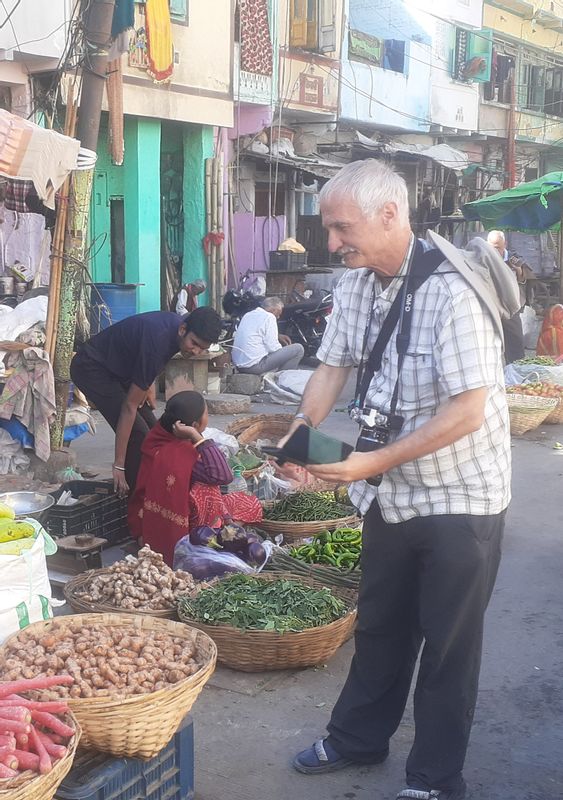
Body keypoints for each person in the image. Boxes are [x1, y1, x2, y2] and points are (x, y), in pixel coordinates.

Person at [282, 160, 510, 800]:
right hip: (390, 493)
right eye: (328, 229)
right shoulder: (356, 284)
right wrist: (299, 434)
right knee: (381, 625)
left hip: (461, 496)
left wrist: (364, 464)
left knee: (447, 648)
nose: (332, 243)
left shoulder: (453, 293)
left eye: (340, 228)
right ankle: (358, 740)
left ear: (391, 215)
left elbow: (468, 410)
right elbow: (332, 367)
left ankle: (435, 779)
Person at [70, 307, 222, 497]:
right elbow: (128, 408)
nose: (197, 351)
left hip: (119, 370)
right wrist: (119, 464)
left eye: (203, 349)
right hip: (91, 368)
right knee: (139, 435)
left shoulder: (175, 329)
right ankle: (137, 497)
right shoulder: (158, 340)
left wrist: (148, 385)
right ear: (183, 329)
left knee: (155, 428)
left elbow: (150, 359)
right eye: (195, 343)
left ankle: (159, 482)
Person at [128, 390, 262, 566]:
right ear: (194, 424)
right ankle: (211, 537)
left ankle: (222, 529)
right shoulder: (183, 454)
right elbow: (223, 476)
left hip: (150, 521)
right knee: (209, 487)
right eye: (206, 413)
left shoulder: (159, 436)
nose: (208, 417)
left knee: (248, 503)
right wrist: (197, 438)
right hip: (183, 528)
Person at [487, 230, 535, 363]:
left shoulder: (514, 259)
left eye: (497, 248)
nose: (494, 251)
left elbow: (526, 279)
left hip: (511, 305)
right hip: (491, 304)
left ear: (505, 245)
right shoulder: (485, 258)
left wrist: (519, 270)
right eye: (491, 248)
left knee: (514, 340)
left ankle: (516, 369)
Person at [232, 296, 304, 374]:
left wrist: (277, 336)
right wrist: (284, 351)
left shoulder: (248, 315)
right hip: (253, 366)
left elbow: (257, 332)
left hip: (239, 365)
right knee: (298, 349)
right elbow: (272, 347)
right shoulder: (269, 317)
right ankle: (281, 378)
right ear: (273, 310)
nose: (278, 317)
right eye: (278, 314)